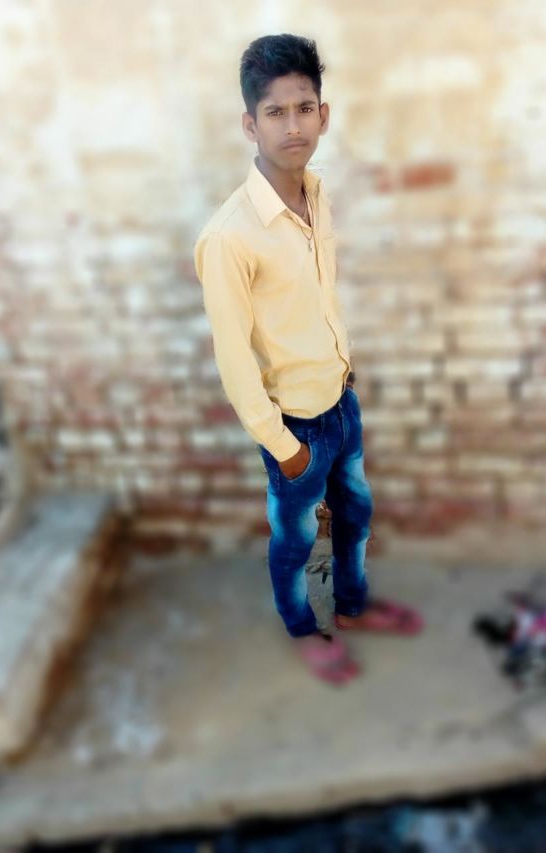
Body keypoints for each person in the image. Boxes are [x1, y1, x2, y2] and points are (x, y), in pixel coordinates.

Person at [193, 33, 424, 685]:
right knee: (295, 542)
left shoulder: (315, 193)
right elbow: (233, 356)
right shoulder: (228, 237)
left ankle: (351, 605)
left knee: (355, 516)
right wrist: (282, 445)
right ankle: (303, 628)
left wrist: (343, 371)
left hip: (340, 402)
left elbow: (317, 300)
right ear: (250, 124)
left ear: (323, 115)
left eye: (303, 108)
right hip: (293, 426)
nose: (292, 126)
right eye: (275, 112)